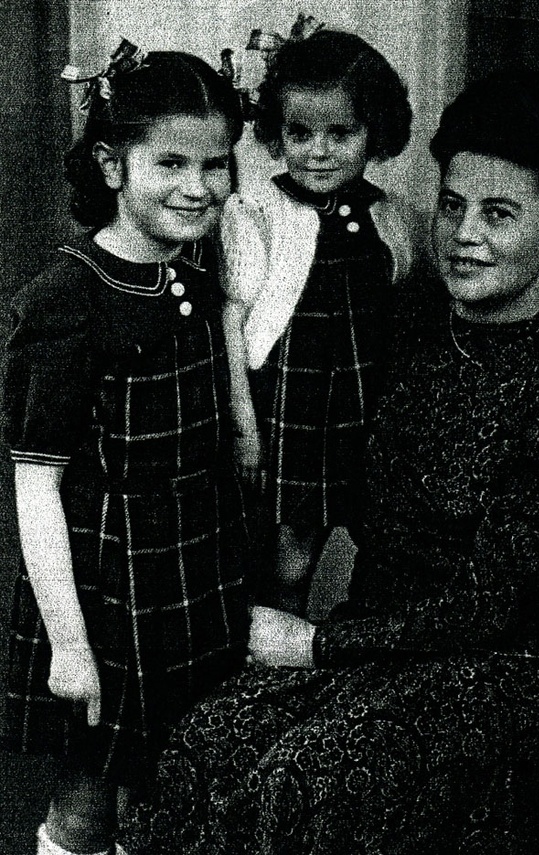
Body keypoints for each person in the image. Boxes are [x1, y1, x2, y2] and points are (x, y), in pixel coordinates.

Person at [121, 69, 539, 854]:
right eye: (454, 205)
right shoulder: (409, 335)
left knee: (306, 775)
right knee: (205, 735)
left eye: (499, 214)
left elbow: (488, 605)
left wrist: (316, 645)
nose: (464, 234)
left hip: (516, 670)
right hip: (387, 642)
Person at [1, 41, 249, 855]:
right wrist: (70, 643)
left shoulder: (196, 268)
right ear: (112, 164)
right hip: (110, 592)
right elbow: (38, 486)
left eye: (216, 164)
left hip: (193, 569)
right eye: (171, 161)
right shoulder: (68, 298)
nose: (199, 186)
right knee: (90, 801)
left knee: (178, 782)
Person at [221, 26, 418, 615]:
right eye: (300, 133)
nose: (318, 150)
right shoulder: (256, 210)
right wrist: (245, 426)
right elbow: (234, 321)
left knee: (383, 542)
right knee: (290, 558)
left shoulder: (392, 217)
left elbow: (405, 311)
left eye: (341, 133)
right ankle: (274, 669)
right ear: (277, 134)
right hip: (293, 412)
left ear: (374, 134)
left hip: (369, 412)